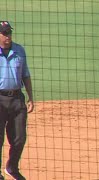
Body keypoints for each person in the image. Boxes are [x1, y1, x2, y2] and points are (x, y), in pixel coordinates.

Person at [0, 21, 34, 180]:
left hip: (17, 99)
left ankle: (12, 167)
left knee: (19, 138)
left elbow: (25, 75)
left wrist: (30, 97)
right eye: (4, 33)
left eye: (9, 33)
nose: (8, 36)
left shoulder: (19, 50)